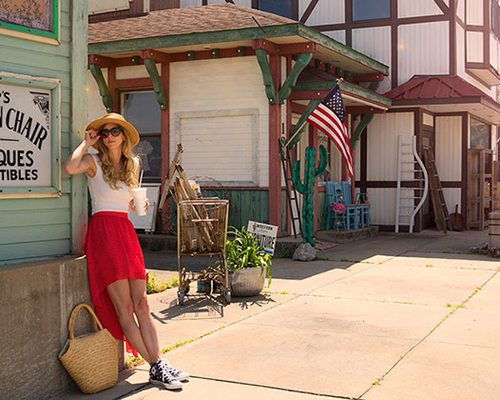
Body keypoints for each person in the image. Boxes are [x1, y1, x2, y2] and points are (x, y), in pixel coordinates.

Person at [64, 113, 188, 391]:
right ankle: (156, 366)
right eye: (104, 132)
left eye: (114, 131)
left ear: (123, 136)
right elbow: (70, 167)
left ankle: (158, 363)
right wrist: (86, 143)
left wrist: (135, 207)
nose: (109, 136)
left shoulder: (133, 164)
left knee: (142, 304)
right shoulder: (93, 161)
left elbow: (132, 204)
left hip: (125, 231)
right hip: (104, 234)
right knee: (125, 308)